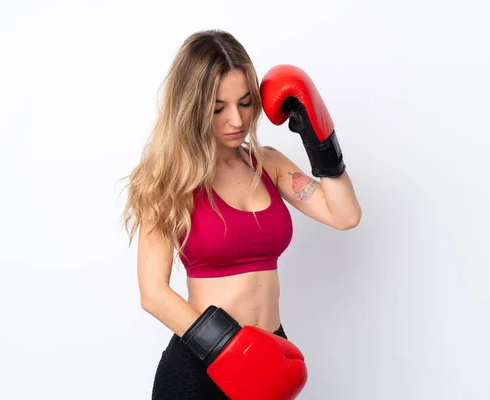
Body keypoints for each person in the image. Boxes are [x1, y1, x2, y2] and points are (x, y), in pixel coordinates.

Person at [122, 30, 362, 400]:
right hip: (203, 364)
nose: (236, 120)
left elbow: (345, 215)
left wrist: (320, 141)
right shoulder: (170, 180)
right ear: (192, 107)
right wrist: (229, 350)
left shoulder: (267, 164)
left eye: (246, 103)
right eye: (218, 108)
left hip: (270, 356)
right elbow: (153, 293)